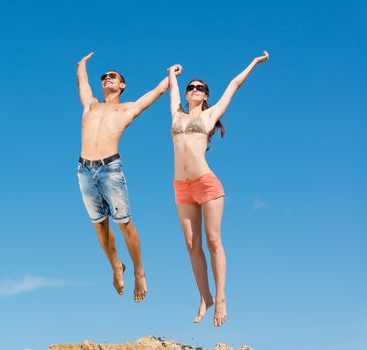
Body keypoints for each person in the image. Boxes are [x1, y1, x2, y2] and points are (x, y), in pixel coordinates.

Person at [167, 51, 269, 325]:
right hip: (182, 186)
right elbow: (173, 88)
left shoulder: (211, 114)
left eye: (200, 88)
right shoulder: (176, 114)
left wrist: (254, 63)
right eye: (191, 87)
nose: (194, 89)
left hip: (206, 184)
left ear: (206, 94)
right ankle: (205, 297)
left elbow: (234, 85)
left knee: (213, 241)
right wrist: (171, 75)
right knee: (191, 244)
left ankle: (221, 298)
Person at [76, 52, 181, 302]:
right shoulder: (91, 105)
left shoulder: (127, 108)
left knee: (124, 224)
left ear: (122, 84)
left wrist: (171, 75)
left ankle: (139, 271)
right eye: (103, 76)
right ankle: (115, 265)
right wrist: (81, 65)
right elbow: (83, 83)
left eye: (112, 76)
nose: (106, 78)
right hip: (84, 170)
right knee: (100, 226)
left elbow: (155, 93)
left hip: (110, 169)